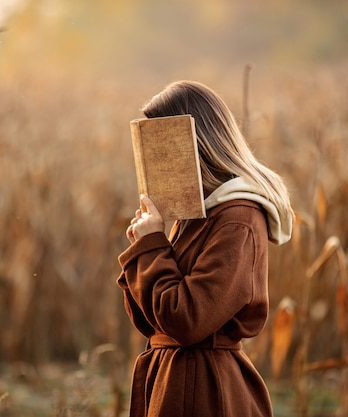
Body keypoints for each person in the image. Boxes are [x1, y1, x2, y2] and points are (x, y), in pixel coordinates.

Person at [116, 80, 294, 417]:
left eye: (164, 142)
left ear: (196, 143)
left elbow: (186, 321)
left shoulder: (238, 218)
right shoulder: (197, 214)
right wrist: (146, 244)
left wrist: (153, 247)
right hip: (173, 384)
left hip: (204, 393)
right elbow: (152, 321)